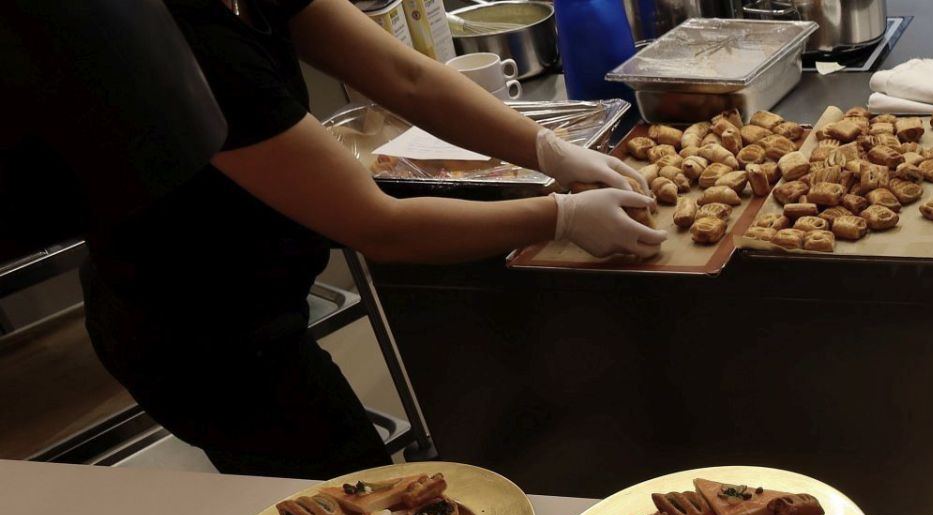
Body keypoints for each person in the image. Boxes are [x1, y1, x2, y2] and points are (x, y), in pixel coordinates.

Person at [80, 0, 664, 478]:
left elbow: (409, 79)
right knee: (351, 505)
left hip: (259, 295)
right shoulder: (191, 44)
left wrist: (547, 149)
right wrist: (560, 216)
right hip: (197, 333)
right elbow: (379, 227)